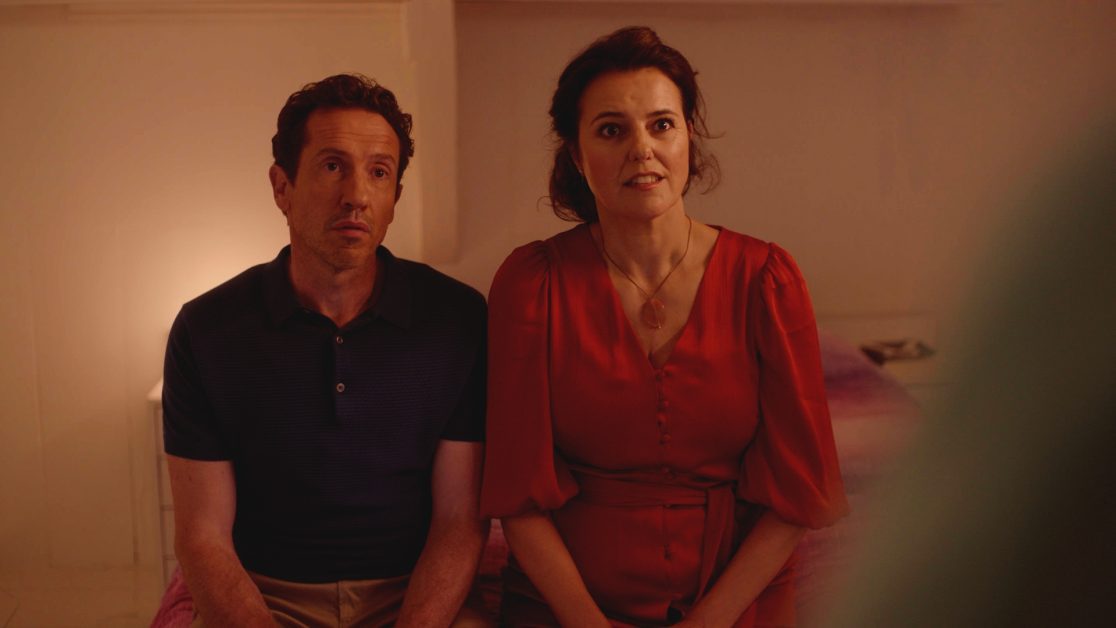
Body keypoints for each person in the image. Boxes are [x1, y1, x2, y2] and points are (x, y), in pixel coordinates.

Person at [480, 27, 848, 627]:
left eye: (661, 125)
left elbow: (797, 494)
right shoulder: (532, 284)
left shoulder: (766, 280)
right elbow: (516, 497)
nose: (641, 149)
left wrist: (708, 621)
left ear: (688, 139)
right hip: (567, 606)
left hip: (737, 601)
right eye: (611, 130)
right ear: (576, 155)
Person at [162, 74, 489, 627]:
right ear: (282, 187)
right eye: (333, 165)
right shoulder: (207, 329)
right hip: (266, 595)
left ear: (394, 198)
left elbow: (459, 520)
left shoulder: (457, 319)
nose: (357, 195)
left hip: (412, 592)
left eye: (379, 173)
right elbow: (202, 536)